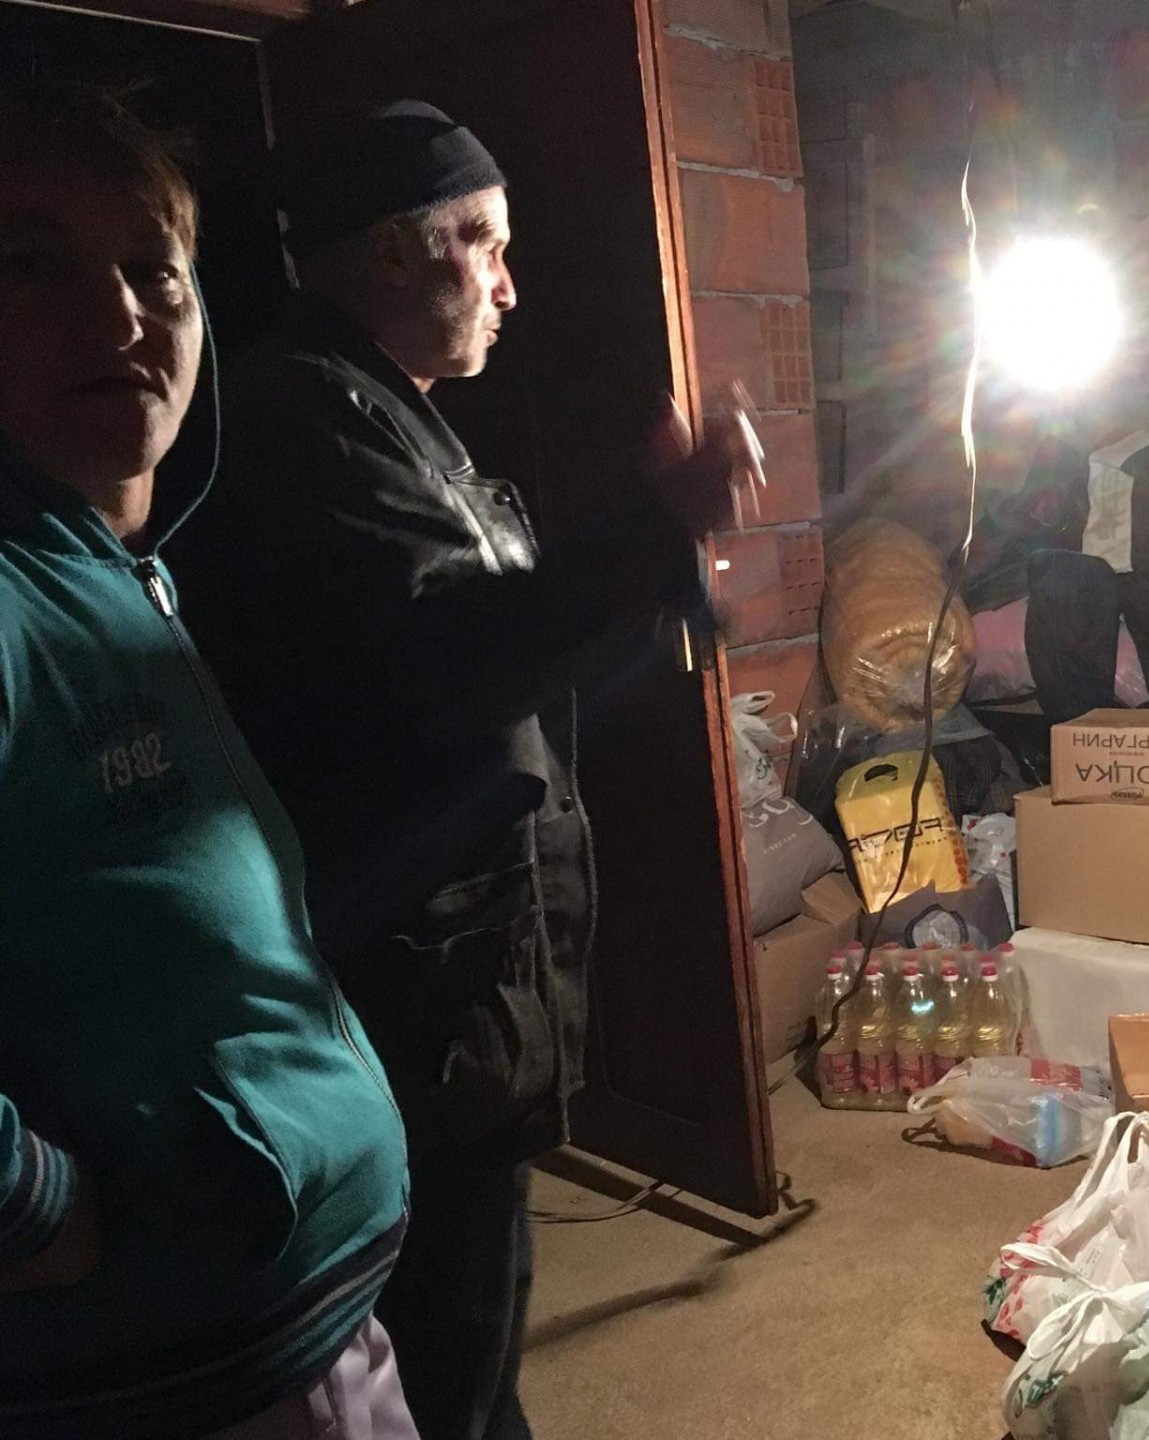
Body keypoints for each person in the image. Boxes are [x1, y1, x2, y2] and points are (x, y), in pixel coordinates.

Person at [169, 101, 737, 1440]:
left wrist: (658, 570)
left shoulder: (391, 419)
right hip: (415, 996)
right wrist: (648, 535)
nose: (509, 283)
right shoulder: (306, 423)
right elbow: (456, 656)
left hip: (462, 980)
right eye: (483, 240)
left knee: (476, 1327)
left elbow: (508, 644)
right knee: (446, 1337)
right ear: (390, 251)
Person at [0, 83, 414, 1439]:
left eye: (152, 270)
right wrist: (36, 1209)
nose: (120, 318)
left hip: (286, 1317)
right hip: (182, 1371)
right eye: (35, 265)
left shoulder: (115, 570)